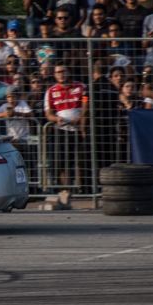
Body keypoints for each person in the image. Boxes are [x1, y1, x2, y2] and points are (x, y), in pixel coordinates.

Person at [44, 62, 87, 207]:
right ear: (54, 74)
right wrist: (57, 119)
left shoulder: (80, 86)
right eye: (58, 72)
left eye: (63, 71)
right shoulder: (51, 91)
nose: (61, 74)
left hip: (78, 128)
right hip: (60, 130)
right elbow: (48, 114)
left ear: (69, 72)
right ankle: (65, 190)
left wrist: (81, 119)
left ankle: (82, 190)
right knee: (61, 162)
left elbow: (86, 102)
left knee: (79, 161)